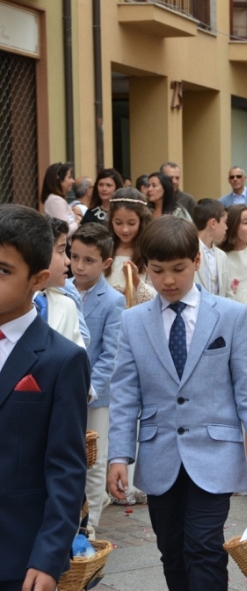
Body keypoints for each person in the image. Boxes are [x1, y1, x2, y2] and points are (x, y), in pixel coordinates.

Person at [107, 216, 247, 590]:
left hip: (214, 448)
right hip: (159, 451)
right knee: (172, 549)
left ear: (197, 262)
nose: (168, 280)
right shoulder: (133, 321)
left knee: (203, 545)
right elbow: (124, 394)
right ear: (145, 268)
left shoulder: (229, 315)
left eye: (179, 269)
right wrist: (118, 456)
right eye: (158, 271)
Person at [0, 205, 89, 591]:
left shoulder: (62, 360)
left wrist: (49, 556)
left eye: (3, 271)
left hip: (16, 555)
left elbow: (66, 470)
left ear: (37, 279)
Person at [71, 224, 126, 536]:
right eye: (75, 257)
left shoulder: (112, 300)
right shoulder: (60, 289)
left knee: (94, 459)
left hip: (96, 394)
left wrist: (93, 388)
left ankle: (88, 526)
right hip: (64, 389)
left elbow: (111, 352)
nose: (79, 266)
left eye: (88, 260)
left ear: (106, 263)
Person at [40, 217, 86, 349]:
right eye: (61, 251)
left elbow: (78, 354)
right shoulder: (11, 303)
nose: (68, 261)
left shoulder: (67, 304)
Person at [106, 188, 156, 306]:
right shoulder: (105, 248)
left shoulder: (150, 251)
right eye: (118, 223)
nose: (124, 229)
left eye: (131, 223)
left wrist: (135, 279)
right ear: (111, 221)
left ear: (141, 221)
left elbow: (156, 298)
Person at [192, 198, 230, 296]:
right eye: (225, 222)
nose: (227, 227)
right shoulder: (189, 250)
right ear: (213, 223)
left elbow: (226, 292)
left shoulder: (222, 256)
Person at [40, 162, 80, 239]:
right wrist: (78, 221)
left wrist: (75, 214)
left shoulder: (57, 200)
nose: (73, 181)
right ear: (59, 178)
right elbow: (64, 231)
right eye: (69, 177)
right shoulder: (56, 201)